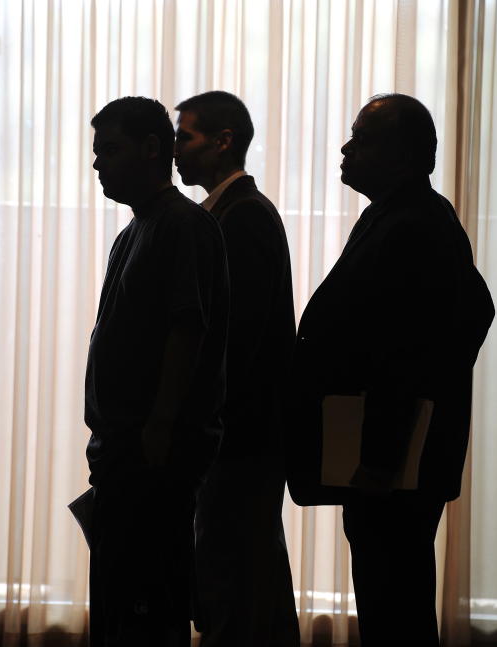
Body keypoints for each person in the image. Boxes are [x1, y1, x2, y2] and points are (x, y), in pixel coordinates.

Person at [289, 94, 494, 645]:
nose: (345, 147)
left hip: (391, 462)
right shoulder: (404, 214)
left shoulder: (416, 223)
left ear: (402, 153)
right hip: (389, 455)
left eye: (362, 137)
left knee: (394, 607)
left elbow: (416, 351)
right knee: (390, 601)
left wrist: (381, 457)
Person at [85, 96, 229, 647]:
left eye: (110, 151)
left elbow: (186, 331)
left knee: (147, 610)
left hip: (151, 457)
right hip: (123, 451)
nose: (98, 165)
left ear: (152, 150)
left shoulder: (182, 226)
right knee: (121, 604)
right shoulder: (136, 230)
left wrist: (159, 429)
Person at [174, 91, 300, 647]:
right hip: (243, 437)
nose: (176, 150)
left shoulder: (242, 216)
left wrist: (199, 425)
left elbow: (236, 341)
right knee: (251, 579)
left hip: (239, 439)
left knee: (235, 581)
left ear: (224, 141)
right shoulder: (225, 213)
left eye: (186, 137)